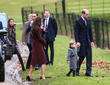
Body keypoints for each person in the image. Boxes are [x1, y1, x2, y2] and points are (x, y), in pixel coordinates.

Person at [74, 9, 94, 77]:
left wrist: (92, 41)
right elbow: (76, 32)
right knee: (82, 56)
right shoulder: (77, 21)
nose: (87, 15)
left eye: (88, 14)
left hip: (88, 41)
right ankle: (76, 69)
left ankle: (88, 72)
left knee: (89, 57)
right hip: (81, 42)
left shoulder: (88, 21)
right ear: (83, 14)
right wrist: (77, 41)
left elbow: (90, 31)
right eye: (86, 14)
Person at [26, 17, 47, 81]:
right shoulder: (38, 29)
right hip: (39, 45)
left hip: (34, 45)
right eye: (41, 21)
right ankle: (43, 75)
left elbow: (39, 35)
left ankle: (29, 75)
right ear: (39, 21)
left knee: (34, 61)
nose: (41, 22)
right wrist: (44, 41)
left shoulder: (34, 28)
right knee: (43, 61)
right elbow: (40, 38)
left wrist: (42, 30)